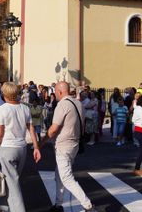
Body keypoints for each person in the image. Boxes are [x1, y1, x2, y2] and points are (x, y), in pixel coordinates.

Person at [43, 81, 97, 212]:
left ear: (60, 92)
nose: (55, 94)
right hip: (74, 144)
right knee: (59, 175)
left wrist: (41, 142)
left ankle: (88, 205)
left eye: (56, 91)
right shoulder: (78, 103)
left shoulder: (62, 105)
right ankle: (58, 204)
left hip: (64, 145)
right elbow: (82, 125)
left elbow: (53, 129)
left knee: (66, 178)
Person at [0, 82, 42, 212]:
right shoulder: (25, 108)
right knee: (11, 180)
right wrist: (36, 147)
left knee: (12, 183)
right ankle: (3, 207)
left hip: (7, 148)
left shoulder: (2, 109)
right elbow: (31, 129)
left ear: (4, 94)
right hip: (22, 148)